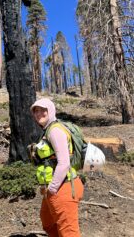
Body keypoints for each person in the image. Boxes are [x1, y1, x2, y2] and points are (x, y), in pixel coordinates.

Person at [30, 98, 84, 237]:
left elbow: (64, 163)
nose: (39, 114)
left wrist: (52, 188)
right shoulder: (48, 130)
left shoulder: (55, 131)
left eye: (43, 110)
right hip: (55, 187)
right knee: (48, 221)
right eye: (36, 111)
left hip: (63, 187)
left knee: (69, 232)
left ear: (51, 111)